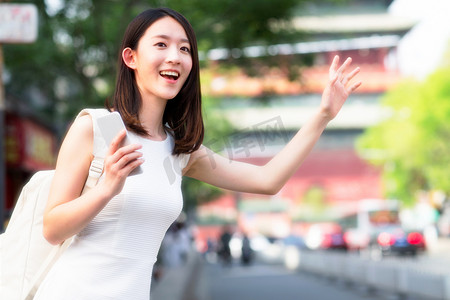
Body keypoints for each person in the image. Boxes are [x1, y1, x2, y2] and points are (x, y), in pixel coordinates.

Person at [34, 6, 361, 300]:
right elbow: (52, 229)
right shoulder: (99, 128)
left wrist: (323, 116)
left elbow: (268, 180)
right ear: (131, 58)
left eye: (185, 48)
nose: (175, 56)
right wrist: (105, 189)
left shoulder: (179, 150)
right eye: (161, 44)